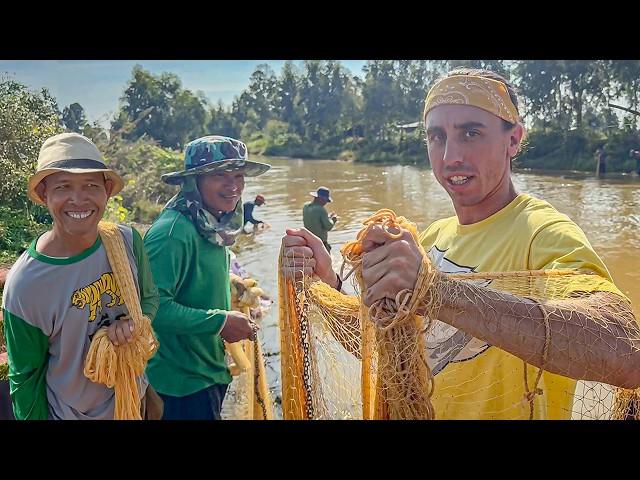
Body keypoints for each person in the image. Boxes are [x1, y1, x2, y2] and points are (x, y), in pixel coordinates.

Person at [282, 68, 640, 419]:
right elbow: (379, 344)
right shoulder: (433, 237)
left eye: (471, 132)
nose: (450, 156)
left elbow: (626, 353)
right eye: (436, 136)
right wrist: (329, 281)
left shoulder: (543, 233)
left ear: (513, 140)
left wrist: (436, 291)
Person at [2, 132, 160, 420]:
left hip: (133, 401)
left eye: (90, 184)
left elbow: (149, 298)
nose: (78, 199)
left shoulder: (126, 242)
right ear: (43, 195)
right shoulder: (26, 286)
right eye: (63, 187)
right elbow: (25, 380)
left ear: (106, 190)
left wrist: (135, 324)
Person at [143, 135, 271, 420]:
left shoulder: (213, 224)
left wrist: (231, 284)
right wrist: (221, 321)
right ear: (193, 181)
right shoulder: (173, 233)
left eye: (238, 175)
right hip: (180, 384)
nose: (234, 186)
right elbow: (151, 308)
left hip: (209, 369)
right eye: (219, 175)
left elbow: (191, 278)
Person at [303, 186, 338, 252]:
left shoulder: (306, 207)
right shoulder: (321, 209)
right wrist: (333, 220)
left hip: (308, 242)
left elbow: (315, 220)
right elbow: (328, 226)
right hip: (320, 243)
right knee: (327, 261)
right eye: (326, 200)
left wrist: (328, 217)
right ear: (321, 199)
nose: (326, 203)